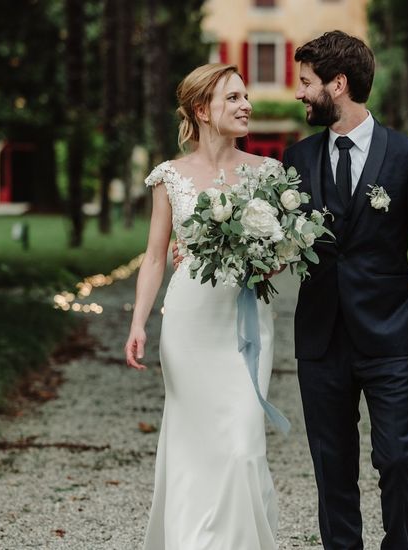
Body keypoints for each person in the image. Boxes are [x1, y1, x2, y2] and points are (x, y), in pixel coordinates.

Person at [283, 32, 408, 549]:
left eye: (307, 82)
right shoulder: (296, 159)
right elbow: (270, 242)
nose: (300, 93)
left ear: (338, 85)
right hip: (321, 340)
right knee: (331, 467)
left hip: (389, 340)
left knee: (400, 458)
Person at [124, 63, 280, 550]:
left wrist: (266, 259)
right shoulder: (169, 176)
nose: (245, 106)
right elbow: (154, 257)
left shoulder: (269, 173)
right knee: (194, 446)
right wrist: (138, 324)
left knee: (242, 445)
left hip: (247, 321)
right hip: (189, 322)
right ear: (202, 110)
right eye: (232, 98)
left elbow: (280, 256)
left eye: (245, 97)